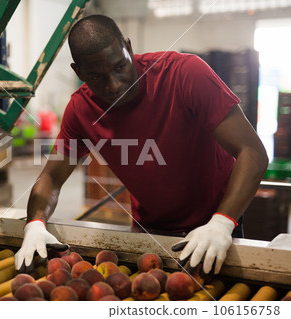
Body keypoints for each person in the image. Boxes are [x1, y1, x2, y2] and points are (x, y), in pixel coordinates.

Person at [14, 15, 268, 275]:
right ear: (78, 72)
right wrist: (35, 224)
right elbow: (52, 178)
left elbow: (253, 153)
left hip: (214, 226)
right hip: (149, 232)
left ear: (128, 47)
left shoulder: (184, 74)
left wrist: (222, 223)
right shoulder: (81, 110)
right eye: (96, 76)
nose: (114, 85)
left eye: (119, 66)